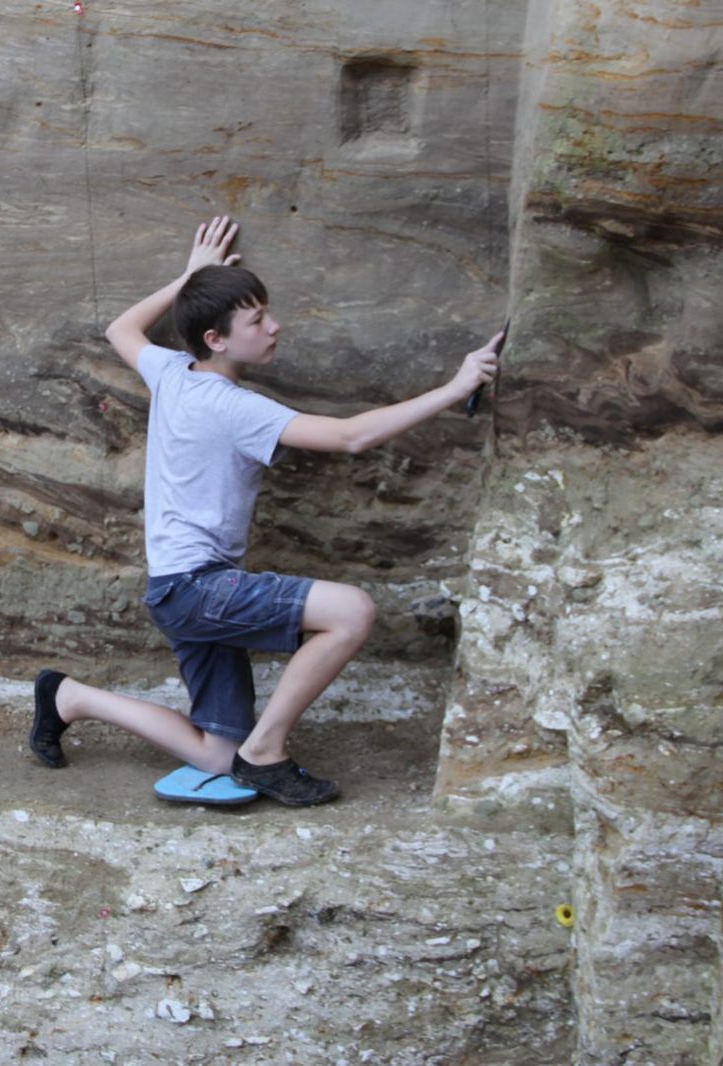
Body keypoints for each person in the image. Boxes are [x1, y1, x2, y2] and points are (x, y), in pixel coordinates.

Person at [29, 216, 501, 806]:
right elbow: (352, 436)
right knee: (351, 611)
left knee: (213, 756)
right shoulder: (235, 408)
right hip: (200, 590)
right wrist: (456, 388)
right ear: (216, 340)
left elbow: (120, 327)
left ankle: (69, 697)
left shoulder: (172, 372)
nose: (275, 327)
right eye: (257, 321)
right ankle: (267, 752)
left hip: (180, 591)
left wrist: (192, 278)